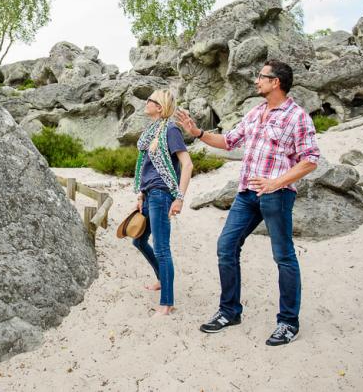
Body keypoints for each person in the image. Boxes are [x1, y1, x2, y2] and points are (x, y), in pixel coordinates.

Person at [175, 59, 321, 346]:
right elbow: (229, 141)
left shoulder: (297, 116)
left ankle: (288, 323)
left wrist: (276, 182)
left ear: (276, 82)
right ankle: (230, 311)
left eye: (262, 77)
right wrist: (198, 133)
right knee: (226, 247)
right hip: (246, 194)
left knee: (283, 256)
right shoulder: (255, 113)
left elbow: (310, 159)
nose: (257, 81)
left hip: (276, 195)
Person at [132, 89, 193, 317]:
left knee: (162, 248)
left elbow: (187, 165)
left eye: (151, 100)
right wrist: (140, 194)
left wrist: (179, 197)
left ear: (160, 107)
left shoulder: (171, 130)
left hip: (162, 194)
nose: (146, 102)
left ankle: (167, 303)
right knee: (138, 241)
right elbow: (146, 166)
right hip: (149, 194)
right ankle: (162, 278)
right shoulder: (150, 132)